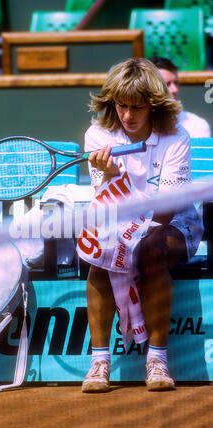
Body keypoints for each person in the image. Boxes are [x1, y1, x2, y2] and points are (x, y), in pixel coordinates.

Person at [80, 58, 203, 393]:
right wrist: (110, 178)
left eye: (137, 107)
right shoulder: (98, 135)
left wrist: (119, 183)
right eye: (121, 106)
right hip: (118, 219)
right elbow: (105, 205)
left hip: (175, 223)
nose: (128, 116)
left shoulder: (177, 138)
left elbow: (164, 211)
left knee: (150, 249)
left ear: (153, 106)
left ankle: (157, 360)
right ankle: (99, 361)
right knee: (99, 256)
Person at [149, 56, 211, 138]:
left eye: (176, 83)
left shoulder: (197, 125)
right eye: (167, 84)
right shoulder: (135, 125)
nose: (174, 90)